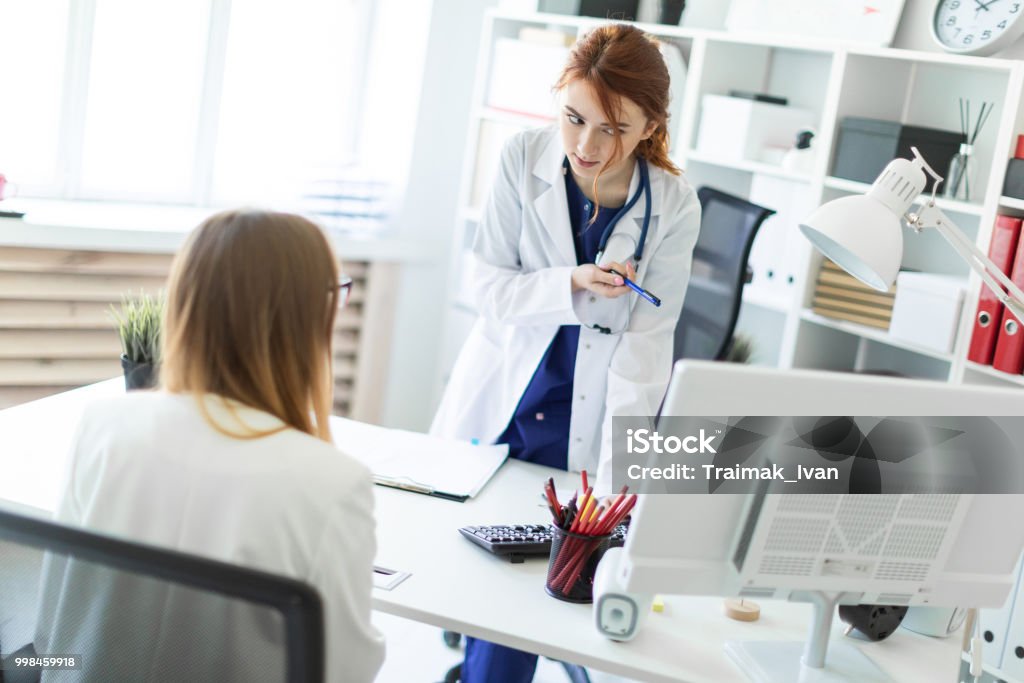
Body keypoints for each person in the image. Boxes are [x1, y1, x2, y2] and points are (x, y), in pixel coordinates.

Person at [431, 23, 702, 683]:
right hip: (506, 413)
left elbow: (644, 351)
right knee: (492, 607)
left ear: (649, 127)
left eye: (612, 128)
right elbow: (486, 286)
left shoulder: (671, 206)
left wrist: (616, 491)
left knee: (545, 604)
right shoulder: (520, 159)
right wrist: (569, 286)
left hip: (587, 433)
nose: (585, 145)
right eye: (573, 118)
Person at [34, 210, 384, 683]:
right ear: (307, 316)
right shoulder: (333, 482)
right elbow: (343, 671)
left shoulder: (104, 423)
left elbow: (54, 629)